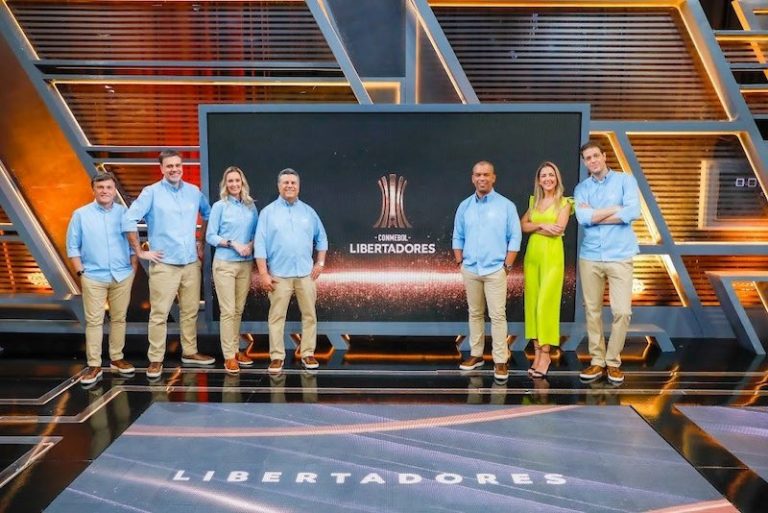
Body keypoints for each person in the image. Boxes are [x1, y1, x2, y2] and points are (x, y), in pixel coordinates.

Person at [123, 150, 214, 379]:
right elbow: (128, 219)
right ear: (162, 168)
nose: (174, 169)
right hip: (164, 264)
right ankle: (156, 360)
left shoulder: (193, 191)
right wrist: (140, 251)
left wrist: (200, 242)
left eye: (177, 165)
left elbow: (208, 214)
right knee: (159, 314)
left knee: (190, 312)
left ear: (182, 167)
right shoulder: (151, 192)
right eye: (169, 166)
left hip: (190, 263)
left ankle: (190, 352)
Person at [574, 141, 640, 384]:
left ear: (604, 156)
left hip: (620, 255)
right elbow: (583, 218)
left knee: (622, 311)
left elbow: (633, 212)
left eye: (595, 156)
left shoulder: (625, 181)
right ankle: (597, 361)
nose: (592, 161)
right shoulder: (582, 188)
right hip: (590, 256)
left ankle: (613, 362)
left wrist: (596, 215)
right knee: (592, 311)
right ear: (585, 162)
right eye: (588, 158)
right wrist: (615, 209)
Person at [253, 168, 328, 373]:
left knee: (310, 315)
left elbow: (322, 238)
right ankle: (277, 357)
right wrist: (263, 274)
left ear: (298, 186)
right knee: (276, 317)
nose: (289, 186)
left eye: (293, 183)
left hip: (305, 274)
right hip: (278, 275)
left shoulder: (308, 212)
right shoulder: (268, 213)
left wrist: (320, 263)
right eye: (285, 183)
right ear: (279, 186)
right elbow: (259, 244)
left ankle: (308, 353)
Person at [66, 172, 138, 385]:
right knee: (94, 321)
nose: (105, 191)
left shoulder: (125, 213)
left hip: (122, 275)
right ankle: (94, 365)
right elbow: (72, 246)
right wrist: (81, 272)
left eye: (108, 187)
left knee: (119, 319)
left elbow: (133, 243)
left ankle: (117, 359)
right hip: (93, 276)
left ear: (114, 191)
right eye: (101, 187)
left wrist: (133, 269)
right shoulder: (81, 214)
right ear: (94, 190)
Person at [453, 160, 522, 382]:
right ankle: (476, 355)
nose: (482, 178)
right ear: (472, 178)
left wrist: (507, 266)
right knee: (475, 313)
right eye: (478, 174)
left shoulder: (506, 206)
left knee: (497, 315)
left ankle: (500, 360)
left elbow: (515, 237)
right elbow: (457, 236)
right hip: (470, 269)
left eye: (486, 174)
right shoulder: (464, 206)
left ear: (493, 178)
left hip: (495, 270)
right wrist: (460, 263)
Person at [521, 161, 573, 379]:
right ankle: (536, 355)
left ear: (557, 178)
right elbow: (522, 225)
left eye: (551, 175)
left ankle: (546, 355)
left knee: (546, 306)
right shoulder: (534, 202)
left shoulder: (565, 203)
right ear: (539, 180)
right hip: (532, 258)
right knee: (533, 306)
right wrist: (542, 225)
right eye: (544, 175)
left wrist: (534, 228)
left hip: (552, 258)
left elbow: (558, 230)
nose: (548, 179)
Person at [206, 166, 259, 374]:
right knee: (228, 311)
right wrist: (232, 243)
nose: (234, 184)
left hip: (245, 264)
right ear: (225, 184)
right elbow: (211, 236)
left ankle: (236, 350)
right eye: (230, 181)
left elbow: (257, 233)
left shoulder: (250, 206)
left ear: (242, 182)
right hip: (225, 264)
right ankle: (229, 356)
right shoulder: (220, 206)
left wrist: (250, 245)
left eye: (237, 180)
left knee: (238, 310)